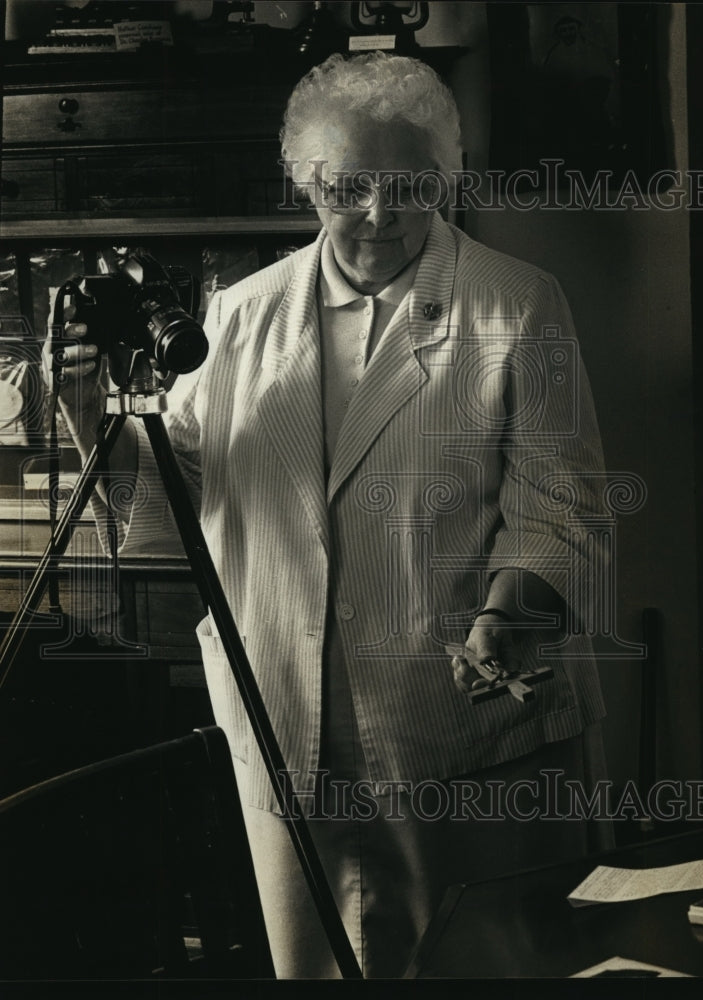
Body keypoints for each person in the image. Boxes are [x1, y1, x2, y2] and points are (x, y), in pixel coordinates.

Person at [49, 52, 613, 980]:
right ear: (307, 182)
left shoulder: (514, 304)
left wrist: (510, 615)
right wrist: (92, 404)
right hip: (286, 717)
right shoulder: (238, 315)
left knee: (470, 971)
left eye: (410, 186)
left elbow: (563, 500)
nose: (381, 214)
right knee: (310, 969)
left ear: (444, 180)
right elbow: (175, 492)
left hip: (455, 720)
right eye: (350, 187)